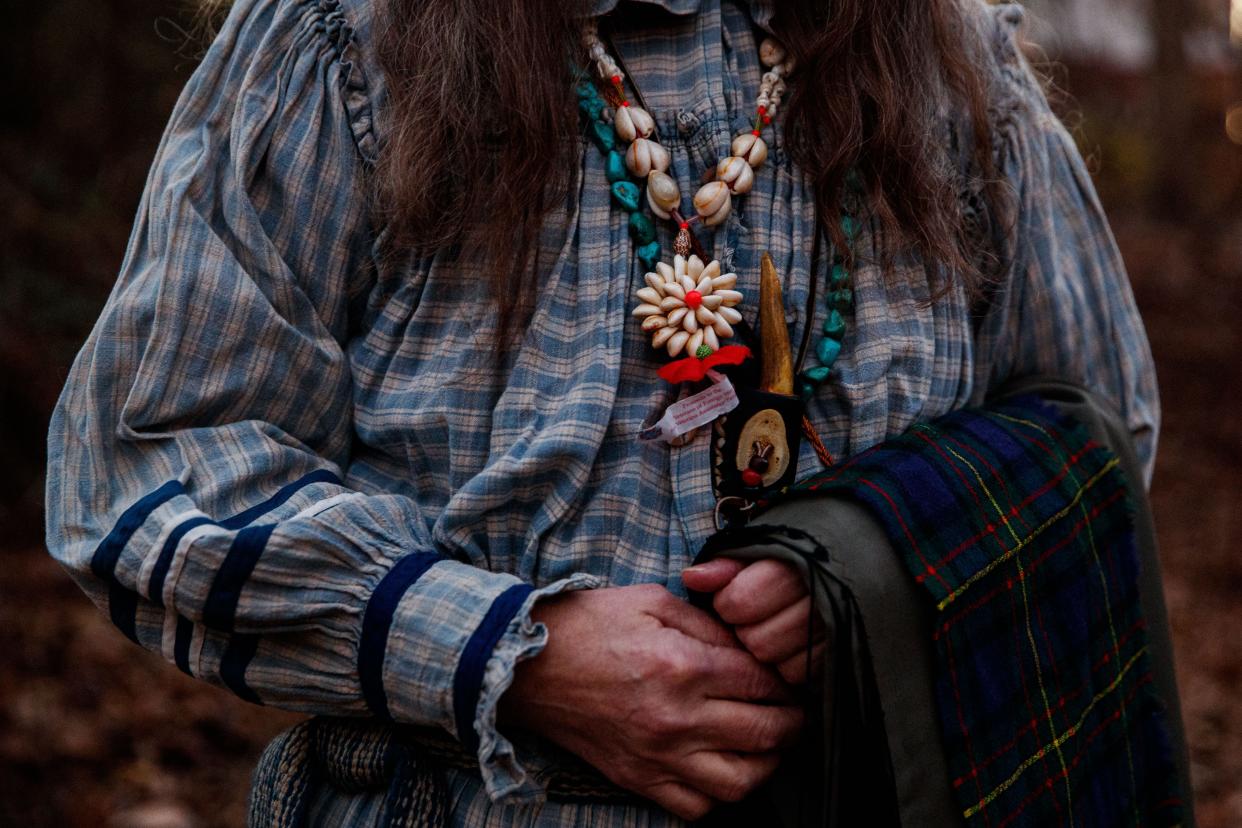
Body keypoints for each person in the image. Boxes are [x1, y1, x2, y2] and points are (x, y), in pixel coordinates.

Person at [45, 0, 1160, 824]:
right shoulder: (345, 43)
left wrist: (877, 563)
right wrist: (510, 655)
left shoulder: (955, 63)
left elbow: (1090, 447)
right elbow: (155, 464)